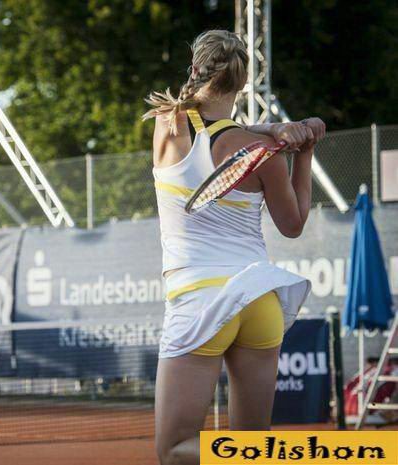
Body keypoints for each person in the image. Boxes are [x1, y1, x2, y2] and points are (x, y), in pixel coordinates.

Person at [143, 30, 326, 465]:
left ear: (195, 69)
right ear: (243, 83)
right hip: (259, 300)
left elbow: (199, 115)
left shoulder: (168, 126)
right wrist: (302, 151)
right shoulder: (264, 152)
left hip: (200, 301)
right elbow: (294, 225)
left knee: (174, 450)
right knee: (251, 450)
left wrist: (277, 133)